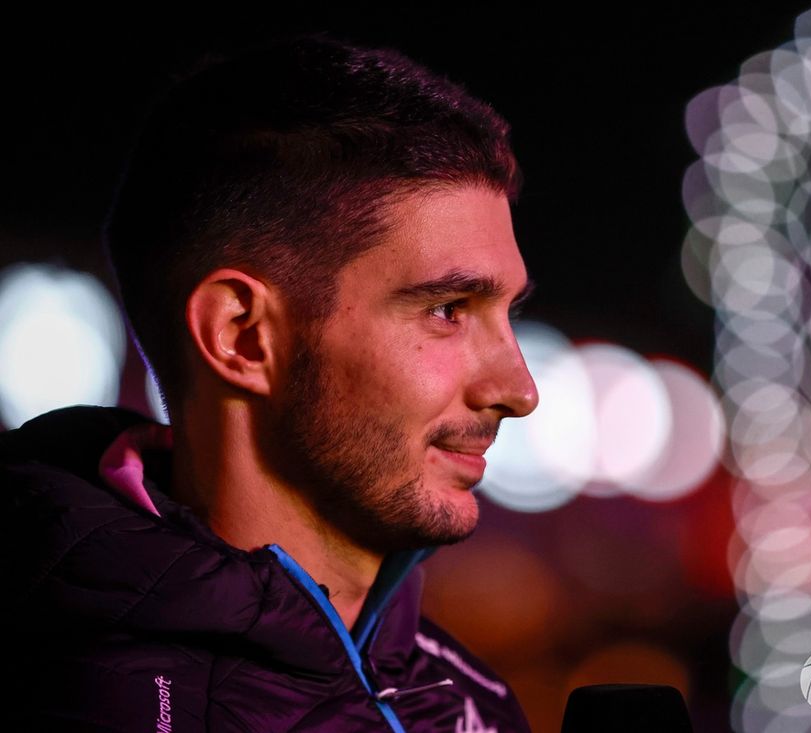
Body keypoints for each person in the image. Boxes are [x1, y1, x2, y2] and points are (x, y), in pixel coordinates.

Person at [2, 32, 539, 732]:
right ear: (242, 335)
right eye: (447, 310)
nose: (520, 389)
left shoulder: (474, 701)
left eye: (508, 313)